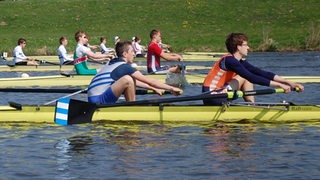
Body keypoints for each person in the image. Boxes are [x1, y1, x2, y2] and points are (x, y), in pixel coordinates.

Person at [202, 32, 304, 105]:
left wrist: (289, 83)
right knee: (245, 77)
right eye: (245, 45)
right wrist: (279, 85)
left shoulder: (239, 62)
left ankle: (251, 106)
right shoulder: (230, 60)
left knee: (249, 75)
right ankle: (251, 106)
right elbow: (251, 77)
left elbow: (260, 73)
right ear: (238, 47)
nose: (248, 48)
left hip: (218, 95)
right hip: (212, 96)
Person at [87, 40, 183, 105]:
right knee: (127, 79)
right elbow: (148, 80)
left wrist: (153, 88)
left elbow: (136, 82)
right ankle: (132, 107)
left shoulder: (112, 62)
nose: (134, 54)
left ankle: (130, 106)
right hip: (98, 100)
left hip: (93, 99)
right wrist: (171, 88)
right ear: (125, 54)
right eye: (132, 51)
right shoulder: (124, 67)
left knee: (129, 79)